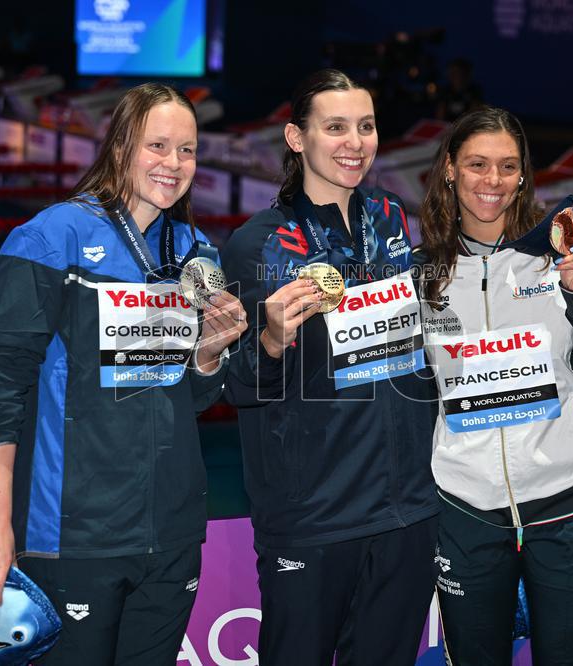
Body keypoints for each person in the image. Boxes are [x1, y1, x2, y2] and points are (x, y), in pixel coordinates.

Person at [0, 83, 247, 665]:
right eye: (157, 146)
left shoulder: (196, 253)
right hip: (74, 533)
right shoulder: (50, 238)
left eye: (187, 150)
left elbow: (188, 396)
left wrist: (211, 352)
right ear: (119, 148)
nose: (173, 163)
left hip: (172, 533)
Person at [221, 69, 439, 666]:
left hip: (407, 511)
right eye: (336, 127)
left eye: (365, 127)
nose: (355, 142)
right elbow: (235, 385)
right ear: (297, 138)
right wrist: (270, 340)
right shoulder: (258, 245)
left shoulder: (392, 219)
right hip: (315, 518)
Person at [418, 106, 573, 665]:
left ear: (523, 174)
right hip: (465, 511)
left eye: (507, 166)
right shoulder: (420, 273)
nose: (492, 180)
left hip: (568, 508)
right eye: (477, 164)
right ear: (450, 169)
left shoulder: (569, 255)